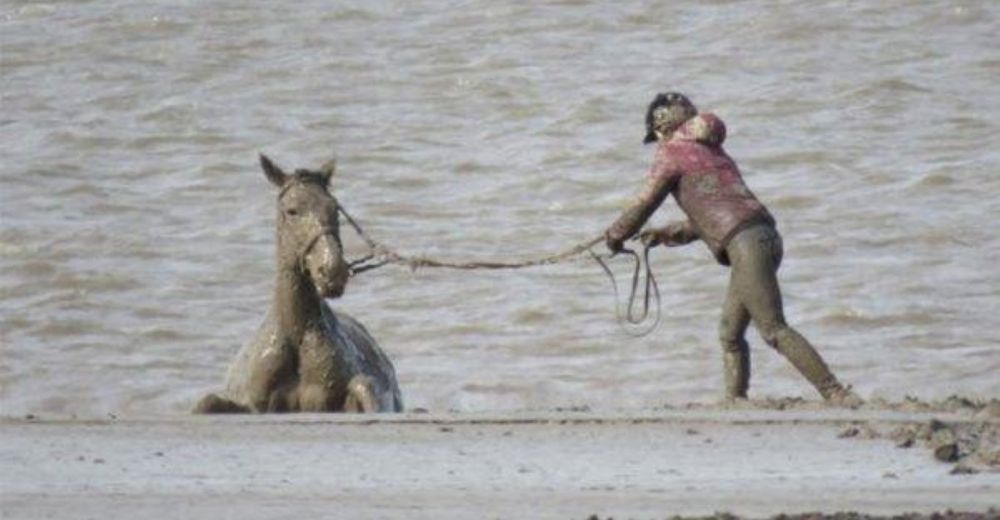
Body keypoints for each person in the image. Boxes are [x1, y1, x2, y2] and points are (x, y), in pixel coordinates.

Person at [605, 92, 860, 405]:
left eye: (656, 134)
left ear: (662, 127)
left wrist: (615, 236)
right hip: (762, 238)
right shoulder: (711, 150)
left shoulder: (671, 153)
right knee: (730, 331)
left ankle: (835, 393)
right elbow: (715, 217)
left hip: (746, 245)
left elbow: (643, 204)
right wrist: (664, 235)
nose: (657, 141)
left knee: (773, 328)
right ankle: (735, 400)